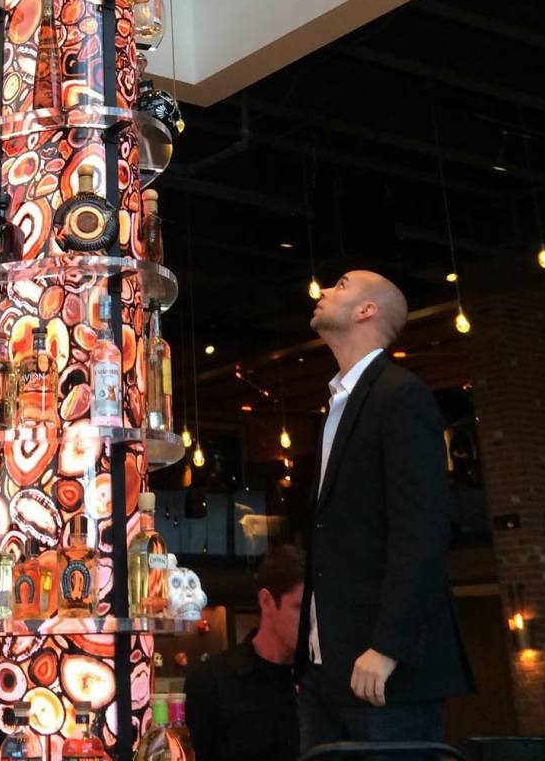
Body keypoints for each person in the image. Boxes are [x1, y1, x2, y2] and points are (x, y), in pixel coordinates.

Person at [296, 270, 475, 755]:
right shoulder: (336, 403)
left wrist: (387, 646)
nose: (324, 291)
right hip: (326, 669)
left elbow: (422, 531)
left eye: (341, 285)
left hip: (382, 670)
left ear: (366, 310)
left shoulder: (401, 394)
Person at [185, 545, 303, 761]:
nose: (312, 621)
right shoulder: (211, 681)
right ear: (267, 602)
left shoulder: (321, 680)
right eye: (300, 608)